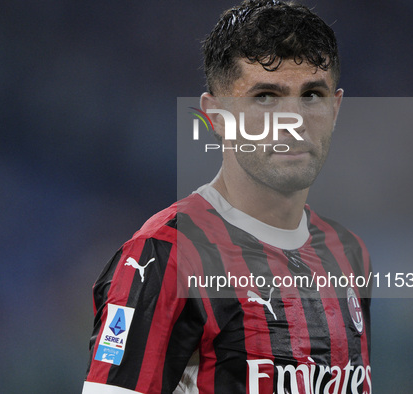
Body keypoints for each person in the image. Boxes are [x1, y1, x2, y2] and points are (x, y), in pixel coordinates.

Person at [83, 1, 372, 393]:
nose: (294, 121)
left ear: (335, 109)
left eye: (312, 95)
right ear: (217, 118)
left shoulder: (348, 254)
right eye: (266, 97)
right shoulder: (166, 254)